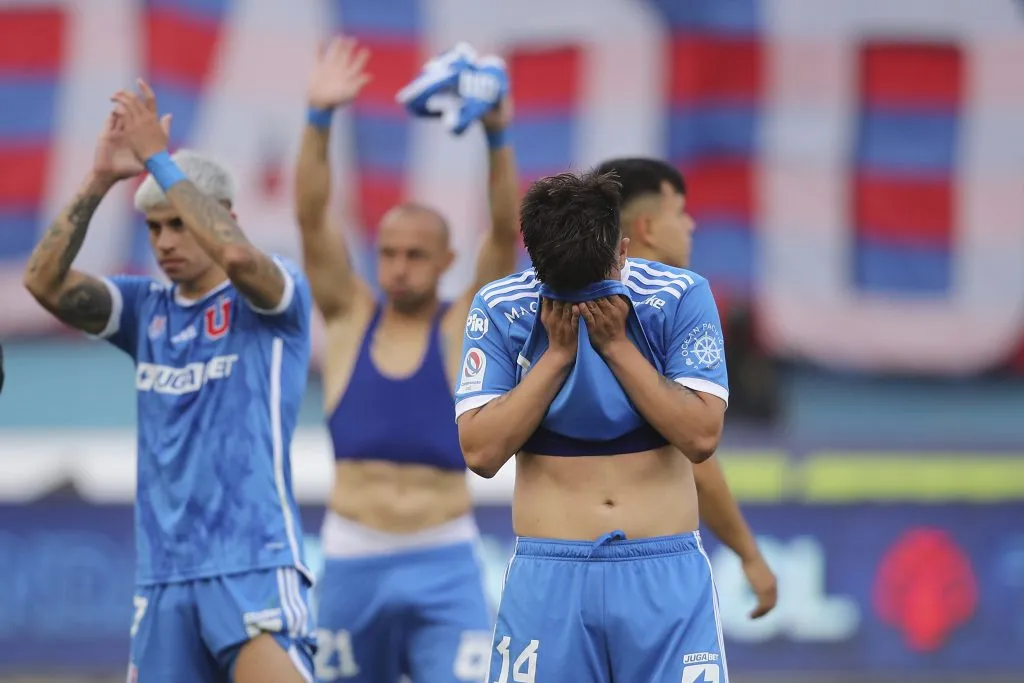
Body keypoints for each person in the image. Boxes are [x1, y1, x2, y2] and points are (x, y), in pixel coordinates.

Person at [22, 81, 316, 683]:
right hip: (162, 576)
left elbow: (236, 259)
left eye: (179, 224)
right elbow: (43, 281)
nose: (165, 243)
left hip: (251, 564)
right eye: (154, 229)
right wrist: (101, 178)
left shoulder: (272, 298)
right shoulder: (144, 309)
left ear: (223, 219)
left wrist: (158, 155)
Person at [293, 38, 520, 682]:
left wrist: (497, 137)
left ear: (446, 261)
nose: (399, 267)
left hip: (443, 558)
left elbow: (504, 236)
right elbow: (312, 219)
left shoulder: (462, 327)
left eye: (416, 255)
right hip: (351, 557)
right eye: (388, 252)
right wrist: (318, 119)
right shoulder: (349, 318)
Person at [456, 170, 731, 682]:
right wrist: (557, 356)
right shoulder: (500, 306)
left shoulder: (678, 296)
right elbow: (480, 453)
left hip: (662, 573)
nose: (586, 302)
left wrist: (618, 346)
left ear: (623, 250)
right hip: (550, 576)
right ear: (537, 265)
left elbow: (700, 436)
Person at [595, 156, 777, 619]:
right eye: (680, 212)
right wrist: (749, 554)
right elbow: (696, 450)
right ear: (648, 227)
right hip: (648, 561)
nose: (691, 224)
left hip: (560, 555)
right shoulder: (677, 306)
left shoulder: (561, 304)